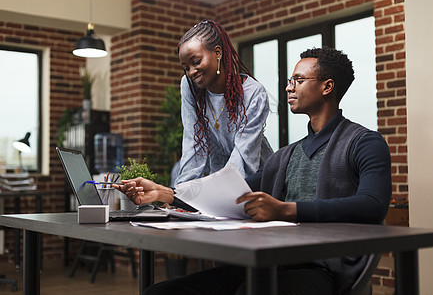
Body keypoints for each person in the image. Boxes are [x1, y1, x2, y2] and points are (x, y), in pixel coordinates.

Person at [114, 47, 392, 295]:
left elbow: (372, 205)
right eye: (289, 81)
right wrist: (165, 193)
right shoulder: (285, 156)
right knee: (162, 292)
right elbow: (232, 194)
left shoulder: (365, 142)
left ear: (327, 87)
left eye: (298, 80)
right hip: (276, 260)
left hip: (327, 271)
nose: (288, 88)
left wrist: (286, 210)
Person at [174, 19, 273, 184]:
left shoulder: (254, 93)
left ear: (217, 53)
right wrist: (181, 195)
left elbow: (243, 158)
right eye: (186, 67)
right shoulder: (190, 86)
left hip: (256, 180)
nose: (191, 72)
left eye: (196, 62)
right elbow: (193, 144)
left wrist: (217, 192)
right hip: (218, 179)